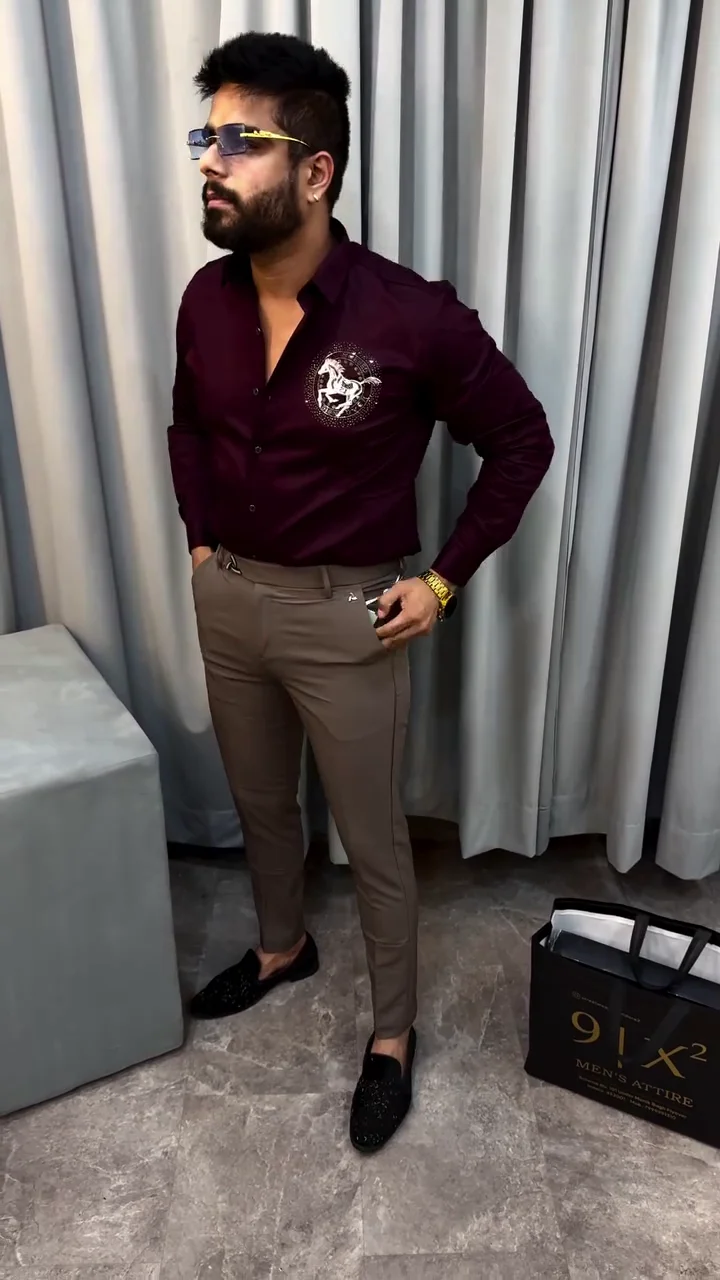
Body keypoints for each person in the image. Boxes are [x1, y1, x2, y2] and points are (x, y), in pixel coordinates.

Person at [168, 30, 554, 1154]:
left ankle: (392, 1035)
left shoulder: (409, 317)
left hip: (351, 618)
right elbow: (188, 426)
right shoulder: (204, 300)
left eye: (241, 141)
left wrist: (442, 581)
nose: (210, 162)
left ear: (316, 170)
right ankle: (282, 945)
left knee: (375, 841)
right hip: (230, 601)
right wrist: (201, 545)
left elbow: (521, 441)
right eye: (206, 138)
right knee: (261, 805)